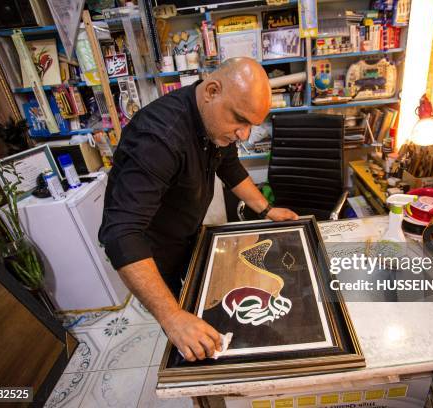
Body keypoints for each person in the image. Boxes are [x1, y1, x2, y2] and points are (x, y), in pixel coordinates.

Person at [98, 58, 298, 362]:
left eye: (251, 126)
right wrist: (172, 317)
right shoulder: (158, 139)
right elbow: (121, 233)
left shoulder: (215, 121)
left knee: (205, 306)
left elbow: (228, 166)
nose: (244, 135)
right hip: (154, 253)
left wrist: (267, 209)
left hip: (188, 233)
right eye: (240, 121)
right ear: (212, 91)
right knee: (187, 332)